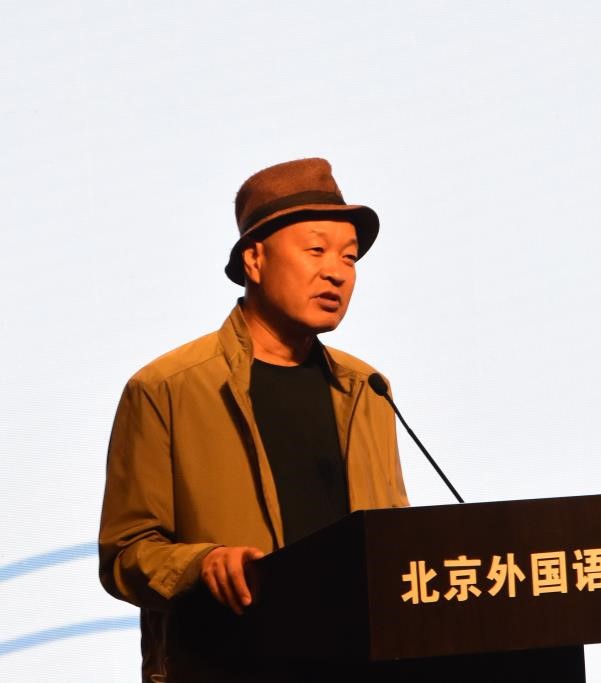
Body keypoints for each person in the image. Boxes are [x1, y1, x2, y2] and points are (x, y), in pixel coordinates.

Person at [98, 157, 410, 682]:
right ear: (255, 260)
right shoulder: (167, 388)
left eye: (350, 257)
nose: (337, 272)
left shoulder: (367, 389)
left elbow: (394, 540)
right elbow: (125, 555)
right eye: (316, 250)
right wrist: (202, 565)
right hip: (230, 664)